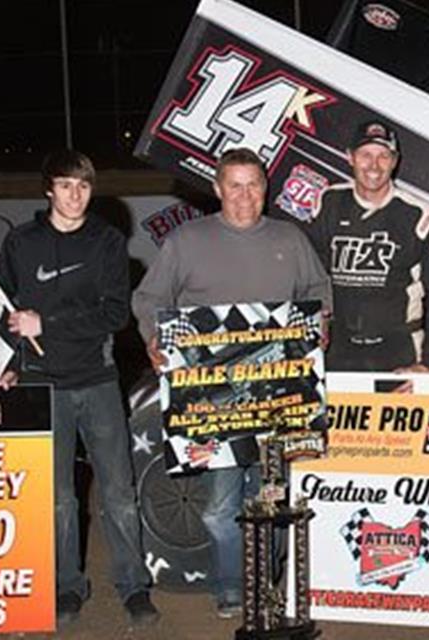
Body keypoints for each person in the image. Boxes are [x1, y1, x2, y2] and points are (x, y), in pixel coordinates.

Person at [131, 147, 331, 617]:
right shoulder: (187, 241)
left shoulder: (290, 238)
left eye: (254, 185)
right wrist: (154, 338)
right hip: (214, 404)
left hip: (278, 397)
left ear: (266, 189)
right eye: (234, 185)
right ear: (218, 189)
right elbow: (150, 297)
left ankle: (269, 584)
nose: (244, 195)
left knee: (272, 501)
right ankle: (231, 583)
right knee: (220, 507)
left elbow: (319, 291)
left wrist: (322, 321)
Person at [0, 150, 158, 627]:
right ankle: (67, 584)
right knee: (58, 497)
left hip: (98, 379)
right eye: (65, 185)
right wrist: (7, 362)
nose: (75, 195)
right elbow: (1, 310)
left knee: (119, 492)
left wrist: (45, 322)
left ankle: (134, 586)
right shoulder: (21, 243)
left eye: (84, 186)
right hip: (43, 385)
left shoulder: (107, 242)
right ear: (48, 189)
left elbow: (115, 314)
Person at [305, 120, 429, 372]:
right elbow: (310, 277)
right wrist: (309, 334)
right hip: (337, 350)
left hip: (400, 351)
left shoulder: (423, 217)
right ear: (350, 157)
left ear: (395, 161)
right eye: (365, 155)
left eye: (383, 156)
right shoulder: (328, 202)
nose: (374, 166)